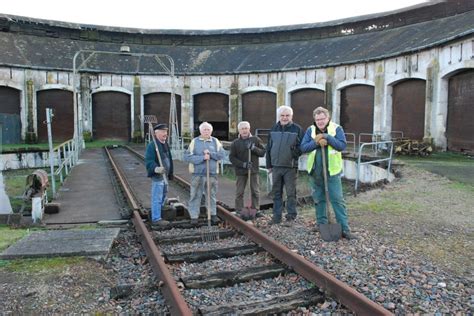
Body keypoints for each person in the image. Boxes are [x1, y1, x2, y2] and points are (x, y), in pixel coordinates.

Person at [300, 106, 357, 240]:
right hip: (315, 172)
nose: (320, 121)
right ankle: (321, 224)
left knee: (337, 200)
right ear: (315, 119)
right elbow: (303, 147)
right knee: (319, 200)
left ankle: (344, 229)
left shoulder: (337, 129)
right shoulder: (311, 130)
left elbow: (341, 145)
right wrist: (316, 142)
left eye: (322, 119)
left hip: (332, 172)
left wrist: (327, 137)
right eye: (317, 119)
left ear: (328, 118)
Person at [266, 105, 304, 225]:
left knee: (291, 193)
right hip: (276, 166)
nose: (285, 117)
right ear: (279, 116)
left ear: (291, 116)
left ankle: (291, 216)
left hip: (290, 167)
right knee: (276, 193)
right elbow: (268, 148)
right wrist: (269, 165)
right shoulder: (273, 128)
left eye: (287, 115)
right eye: (282, 115)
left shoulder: (297, 129)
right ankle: (276, 217)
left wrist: (294, 153)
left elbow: (302, 147)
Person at [184, 122, 225, 225]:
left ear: (211, 131)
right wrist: (202, 158)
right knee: (195, 195)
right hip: (197, 174)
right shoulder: (195, 142)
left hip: (211, 174)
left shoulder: (215, 141)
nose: (206, 131)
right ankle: (194, 216)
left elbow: (222, 155)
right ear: (201, 131)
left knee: (211, 195)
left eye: (208, 130)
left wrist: (210, 154)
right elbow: (187, 157)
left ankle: (212, 214)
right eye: (204, 130)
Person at [229, 121, 266, 219]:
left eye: (246, 128)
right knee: (239, 192)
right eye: (242, 129)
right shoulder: (235, 143)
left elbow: (263, 152)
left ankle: (255, 209)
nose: (244, 130)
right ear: (239, 130)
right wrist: (243, 164)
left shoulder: (256, 139)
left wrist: (254, 148)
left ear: (249, 129)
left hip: (253, 171)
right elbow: (232, 158)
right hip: (241, 171)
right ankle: (239, 210)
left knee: (255, 191)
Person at [145, 123, 174, 227]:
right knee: (157, 197)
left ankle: (160, 215)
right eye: (162, 132)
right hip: (158, 176)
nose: (165, 134)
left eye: (166, 132)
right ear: (156, 133)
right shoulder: (152, 146)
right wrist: (156, 168)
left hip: (165, 176)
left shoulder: (165, 144)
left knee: (163, 195)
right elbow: (149, 161)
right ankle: (156, 218)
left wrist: (170, 173)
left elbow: (169, 159)